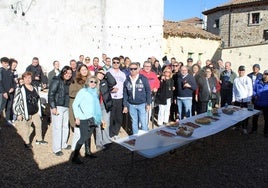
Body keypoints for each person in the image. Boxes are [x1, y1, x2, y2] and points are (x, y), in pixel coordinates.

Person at [13, 71, 48, 149]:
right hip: (26, 112)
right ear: (23, 79)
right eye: (26, 78)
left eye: (29, 77)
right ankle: (27, 142)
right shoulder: (20, 89)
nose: (28, 79)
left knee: (38, 124)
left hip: (35, 111)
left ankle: (39, 139)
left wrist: (40, 111)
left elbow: (37, 99)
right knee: (26, 128)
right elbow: (16, 101)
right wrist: (18, 113)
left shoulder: (34, 87)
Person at [72, 76, 102, 164]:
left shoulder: (95, 92)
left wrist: (100, 118)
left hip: (93, 118)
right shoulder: (83, 91)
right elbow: (75, 104)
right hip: (84, 118)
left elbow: (96, 107)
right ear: (88, 82)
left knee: (88, 136)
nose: (93, 83)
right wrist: (77, 116)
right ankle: (75, 156)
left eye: (95, 82)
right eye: (91, 81)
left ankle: (87, 152)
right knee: (83, 137)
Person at [48, 66, 73, 156]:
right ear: (63, 72)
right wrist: (53, 107)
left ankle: (63, 144)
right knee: (57, 127)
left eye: (70, 73)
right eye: (66, 73)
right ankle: (56, 148)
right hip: (58, 106)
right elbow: (51, 94)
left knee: (65, 126)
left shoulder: (68, 82)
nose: (68, 75)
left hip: (66, 106)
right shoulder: (56, 80)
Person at [123, 62, 151, 135]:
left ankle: (145, 137)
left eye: (135, 69)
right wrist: (125, 105)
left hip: (142, 104)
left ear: (138, 69)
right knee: (134, 122)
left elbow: (148, 91)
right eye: (131, 69)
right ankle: (135, 137)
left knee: (143, 122)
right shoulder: (127, 80)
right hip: (131, 105)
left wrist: (148, 103)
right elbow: (125, 93)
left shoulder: (143, 79)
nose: (133, 70)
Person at [69, 65, 91, 151]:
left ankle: (84, 148)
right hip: (77, 107)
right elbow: (71, 93)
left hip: (87, 108)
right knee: (78, 130)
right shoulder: (75, 81)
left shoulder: (90, 80)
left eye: (85, 69)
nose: (84, 71)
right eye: (82, 70)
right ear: (79, 71)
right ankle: (74, 149)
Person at [95, 68, 116, 147]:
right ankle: (99, 143)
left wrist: (107, 73)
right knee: (98, 124)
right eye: (99, 73)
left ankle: (106, 141)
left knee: (106, 123)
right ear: (96, 73)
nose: (101, 75)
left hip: (105, 105)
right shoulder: (93, 81)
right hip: (96, 106)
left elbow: (113, 82)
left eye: (102, 74)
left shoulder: (105, 82)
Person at [108, 57, 126, 138]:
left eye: (117, 62)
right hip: (111, 97)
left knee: (119, 117)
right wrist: (111, 89)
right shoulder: (108, 72)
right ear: (112, 63)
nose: (115, 64)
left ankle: (116, 132)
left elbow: (125, 86)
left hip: (120, 97)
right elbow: (104, 85)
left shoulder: (122, 74)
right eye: (114, 62)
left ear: (120, 63)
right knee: (111, 116)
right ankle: (110, 134)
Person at [232, 65, 253, 134]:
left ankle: (244, 127)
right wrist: (233, 99)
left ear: (244, 71)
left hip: (245, 100)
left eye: (242, 71)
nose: (241, 72)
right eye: (240, 70)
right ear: (238, 71)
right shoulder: (236, 79)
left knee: (245, 115)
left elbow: (250, 90)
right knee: (236, 114)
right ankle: (237, 125)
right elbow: (234, 90)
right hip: (237, 100)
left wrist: (249, 99)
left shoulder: (248, 79)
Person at [140, 61, 160, 127]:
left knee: (149, 111)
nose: (147, 68)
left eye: (149, 66)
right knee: (141, 111)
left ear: (151, 67)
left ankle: (146, 125)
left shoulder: (153, 74)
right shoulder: (140, 73)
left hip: (150, 95)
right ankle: (140, 126)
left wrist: (156, 87)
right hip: (141, 96)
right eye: (146, 66)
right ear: (143, 66)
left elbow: (157, 82)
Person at [0, 57, 16, 125]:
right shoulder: (1, 71)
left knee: (9, 107)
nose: (6, 64)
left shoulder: (10, 72)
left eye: (7, 63)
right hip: (3, 93)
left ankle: (8, 120)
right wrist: (3, 92)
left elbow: (13, 82)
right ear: (1, 63)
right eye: (5, 63)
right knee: (1, 107)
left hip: (10, 93)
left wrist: (13, 88)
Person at [248, 64, 263, 134]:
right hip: (250, 95)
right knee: (249, 111)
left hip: (257, 96)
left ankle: (255, 128)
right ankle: (247, 125)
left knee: (256, 113)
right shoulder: (249, 75)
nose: (255, 69)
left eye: (256, 68)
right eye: (254, 68)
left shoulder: (261, 76)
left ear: (259, 69)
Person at [252, 70, 268, 137]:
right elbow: (253, 90)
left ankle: (266, 132)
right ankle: (254, 130)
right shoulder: (258, 81)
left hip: (266, 104)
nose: (266, 76)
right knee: (255, 118)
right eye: (265, 74)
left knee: (266, 119)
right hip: (257, 103)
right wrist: (254, 95)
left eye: (267, 74)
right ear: (263, 74)